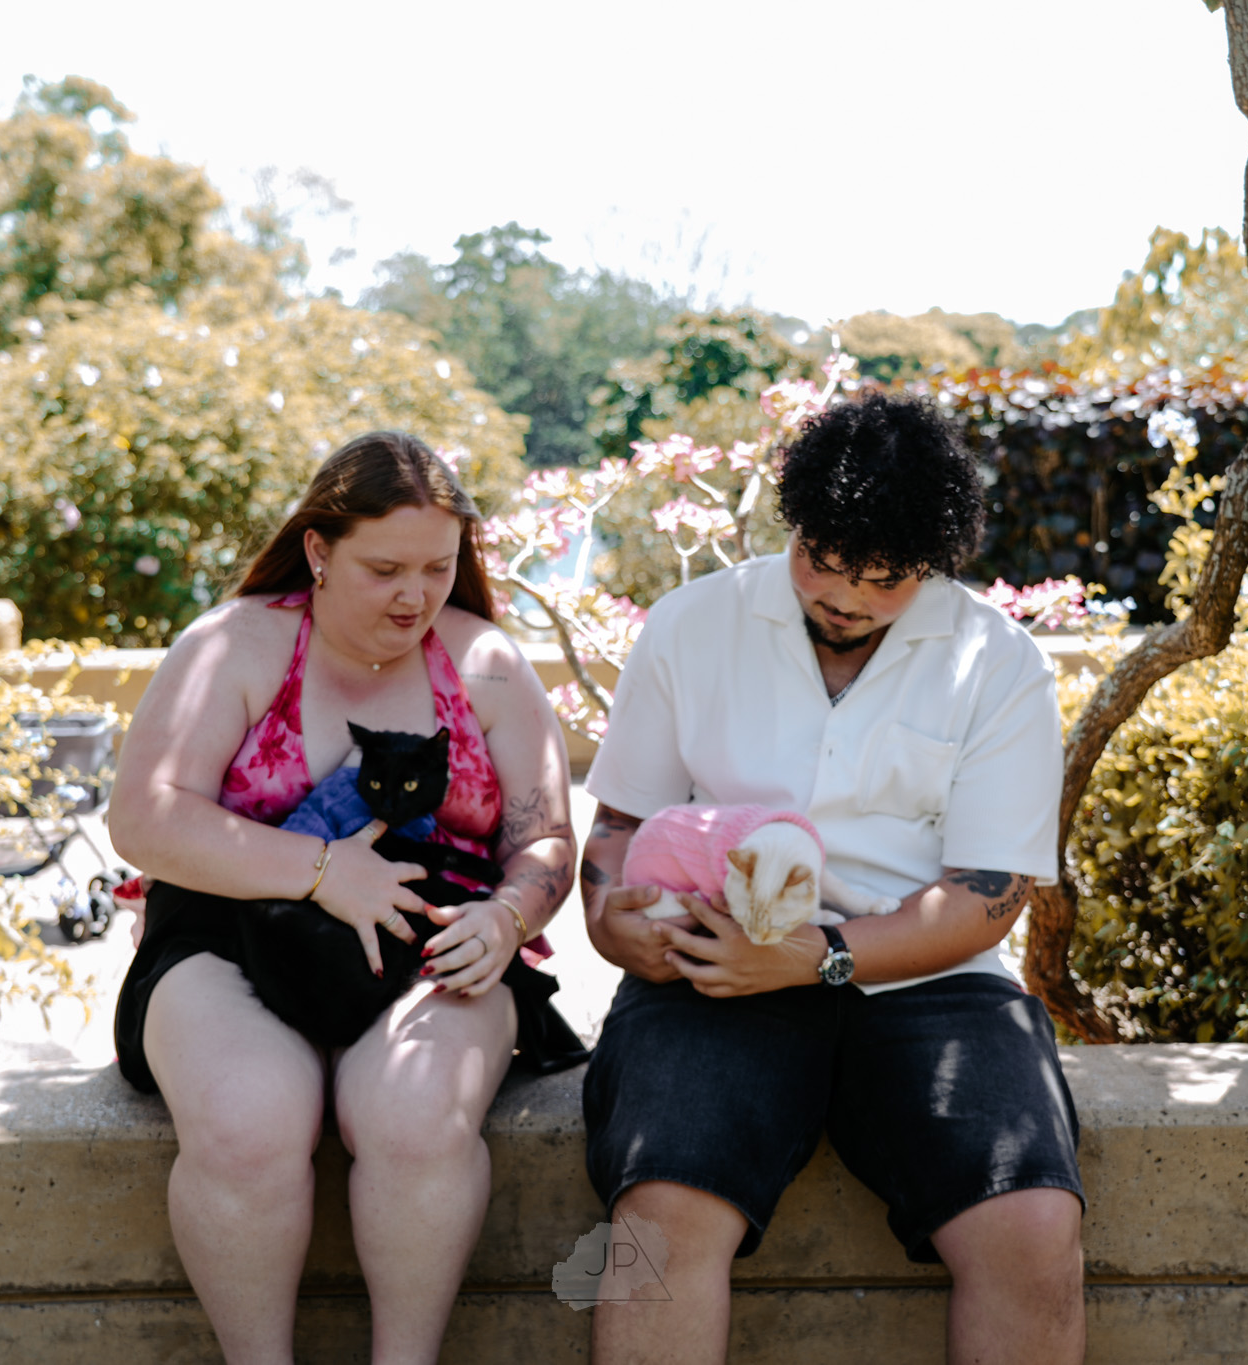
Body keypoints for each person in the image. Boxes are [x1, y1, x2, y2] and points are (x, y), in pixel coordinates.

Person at [580, 392, 1085, 1364]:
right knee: (661, 1217)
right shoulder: (692, 624)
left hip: (928, 979)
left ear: (931, 563)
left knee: (1030, 1227)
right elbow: (618, 826)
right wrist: (612, 922)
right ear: (795, 525)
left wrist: (821, 956)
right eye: (822, 560)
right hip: (711, 964)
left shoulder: (997, 662)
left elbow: (988, 894)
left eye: (883, 578)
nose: (844, 596)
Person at [107, 432, 583, 1364]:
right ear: (319, 551)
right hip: (230, 931)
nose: (416, 596)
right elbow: (144, 818)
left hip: (440, 934)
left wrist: (508, 916)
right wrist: (323, 870)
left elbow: (546, 840)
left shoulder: (487, 663)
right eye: (385, 569)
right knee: (247, 1118)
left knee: (415, 1117)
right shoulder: (233, 644)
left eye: (438, 568)